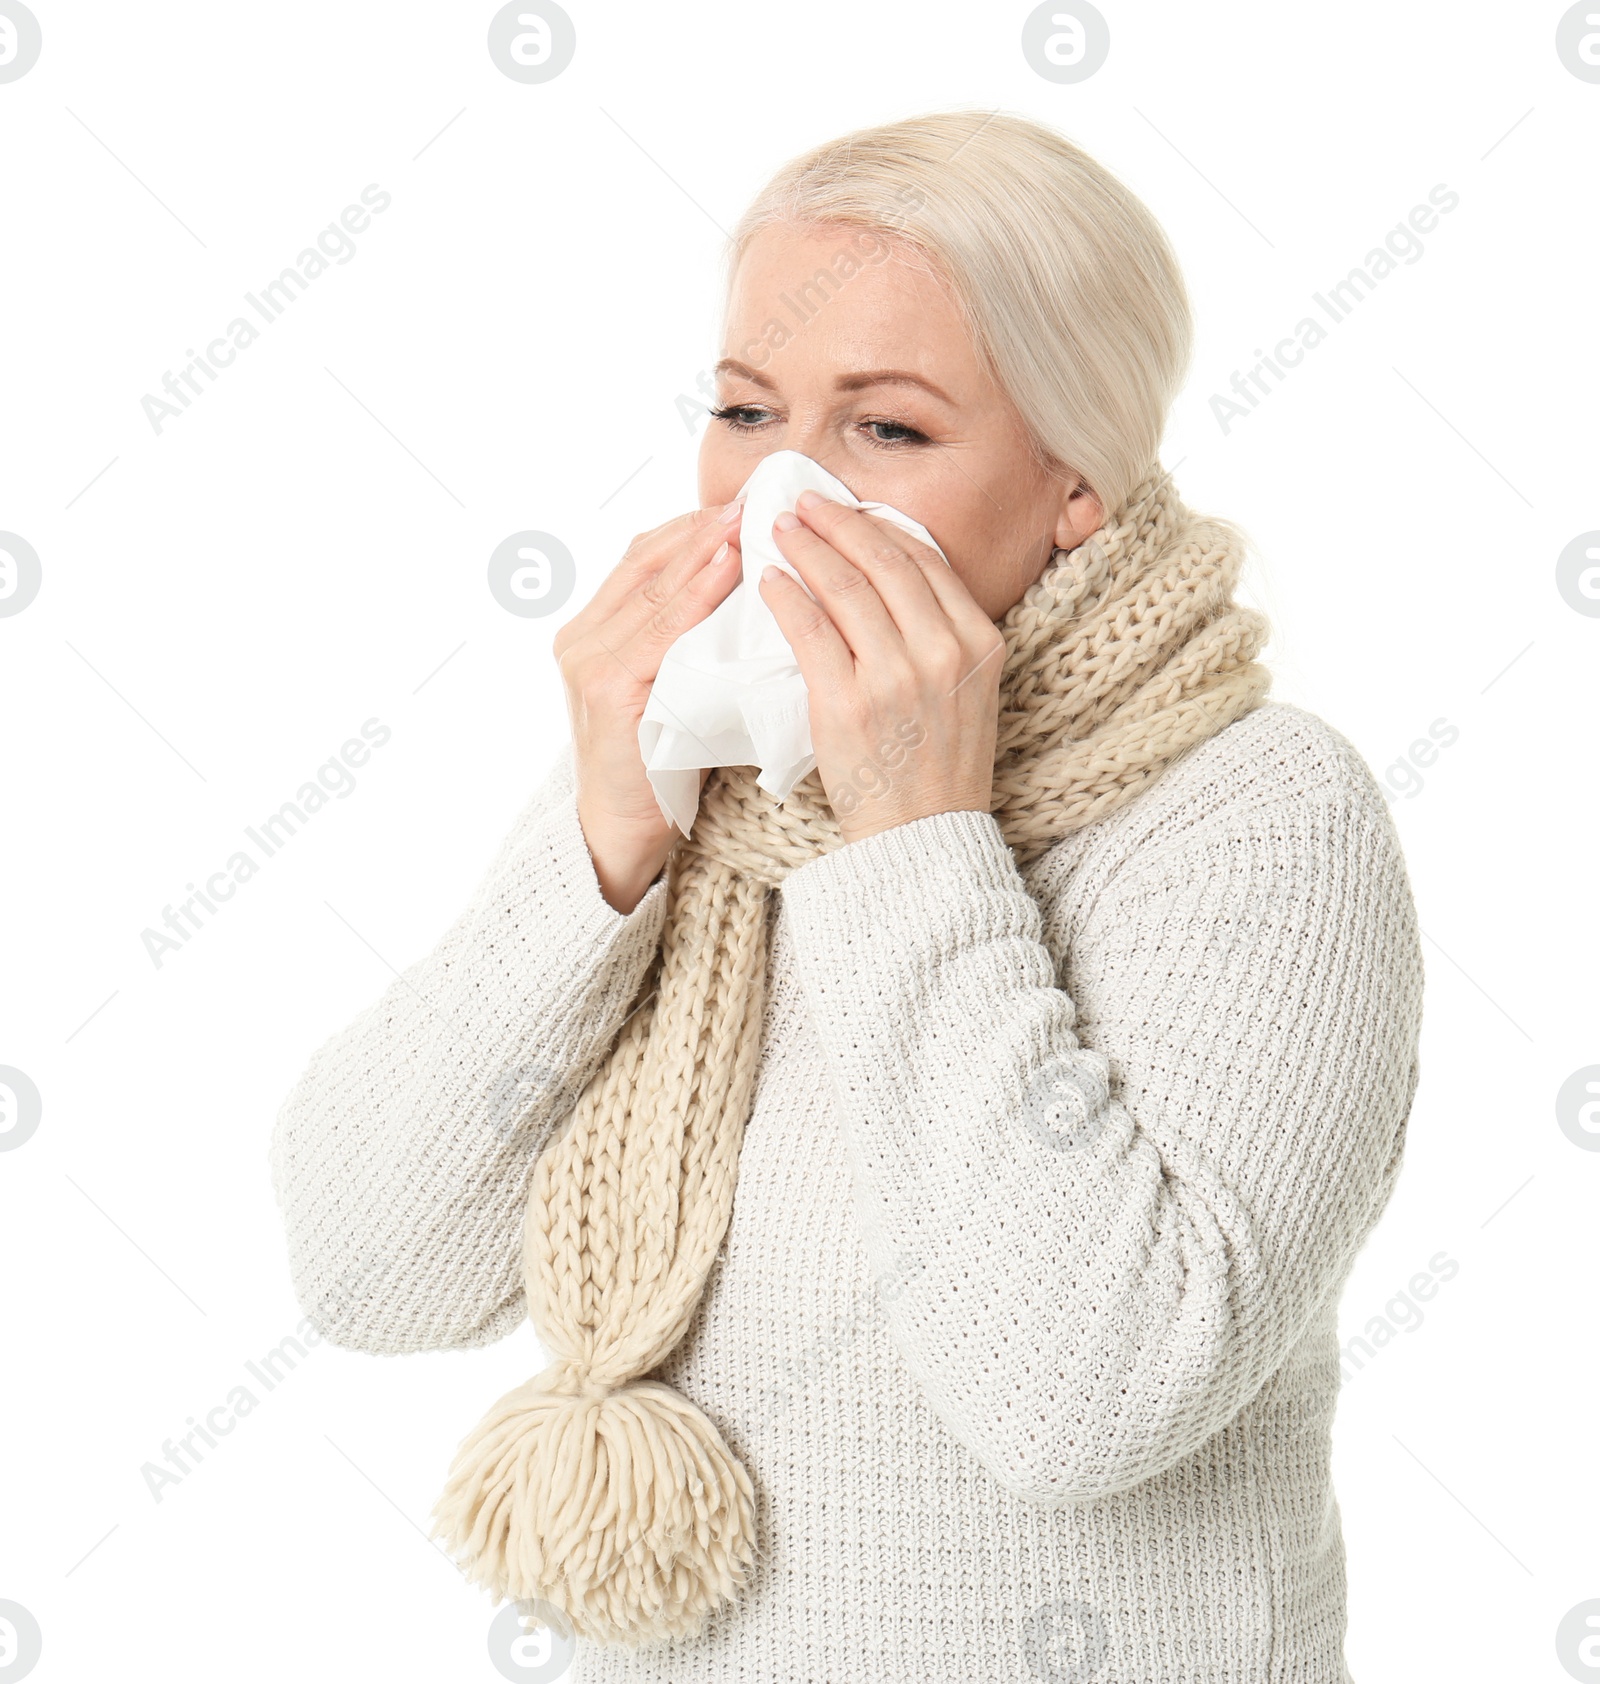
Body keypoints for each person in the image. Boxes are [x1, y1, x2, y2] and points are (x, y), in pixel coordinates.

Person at [270, 108, 1424, 1682]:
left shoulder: (1259, 813)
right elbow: (366, 1271)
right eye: (748, 411)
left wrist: (911, 840)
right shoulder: (701, 776)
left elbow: (1082, 1399)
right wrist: (601, 851)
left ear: (1074, 482)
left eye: (885, 430)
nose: (785, 500)